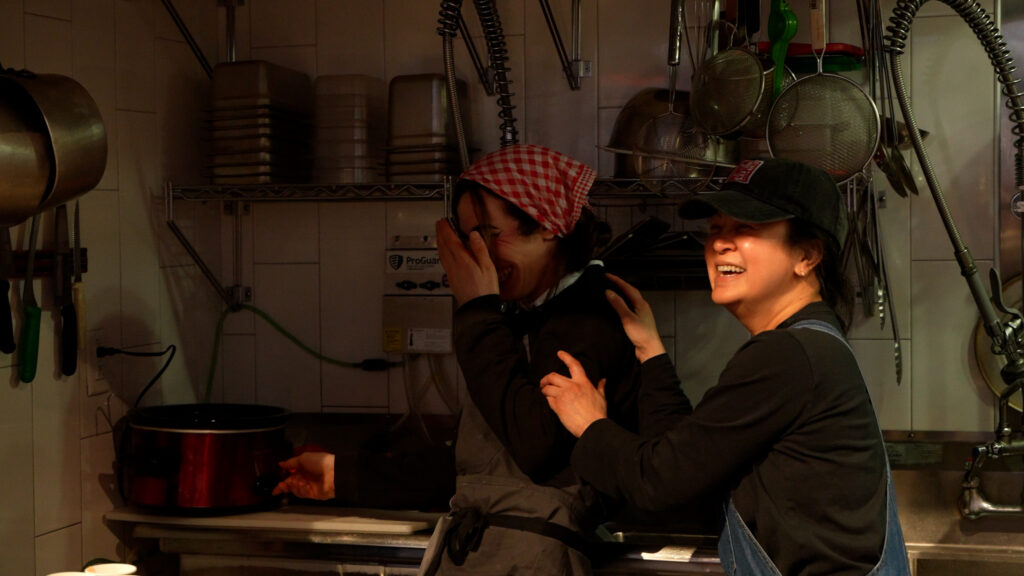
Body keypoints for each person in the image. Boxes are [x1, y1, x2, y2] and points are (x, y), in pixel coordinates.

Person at [274, 144, 641, 575]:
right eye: (469, 238)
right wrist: (342, 475)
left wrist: (477, 312)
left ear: (545, 225)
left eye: (489, 234)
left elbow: (535, 448)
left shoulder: (589, 314)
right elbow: (479, 466)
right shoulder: (528, 316)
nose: (478, 255)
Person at [540, 158, 911, 576]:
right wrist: (651, 352)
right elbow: (691, 470)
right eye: (716, 229)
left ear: (806, 255)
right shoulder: (812, 342)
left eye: (746, 228)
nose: (720, 244)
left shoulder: (786, 354)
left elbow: (658, 482)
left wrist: (590, 425)